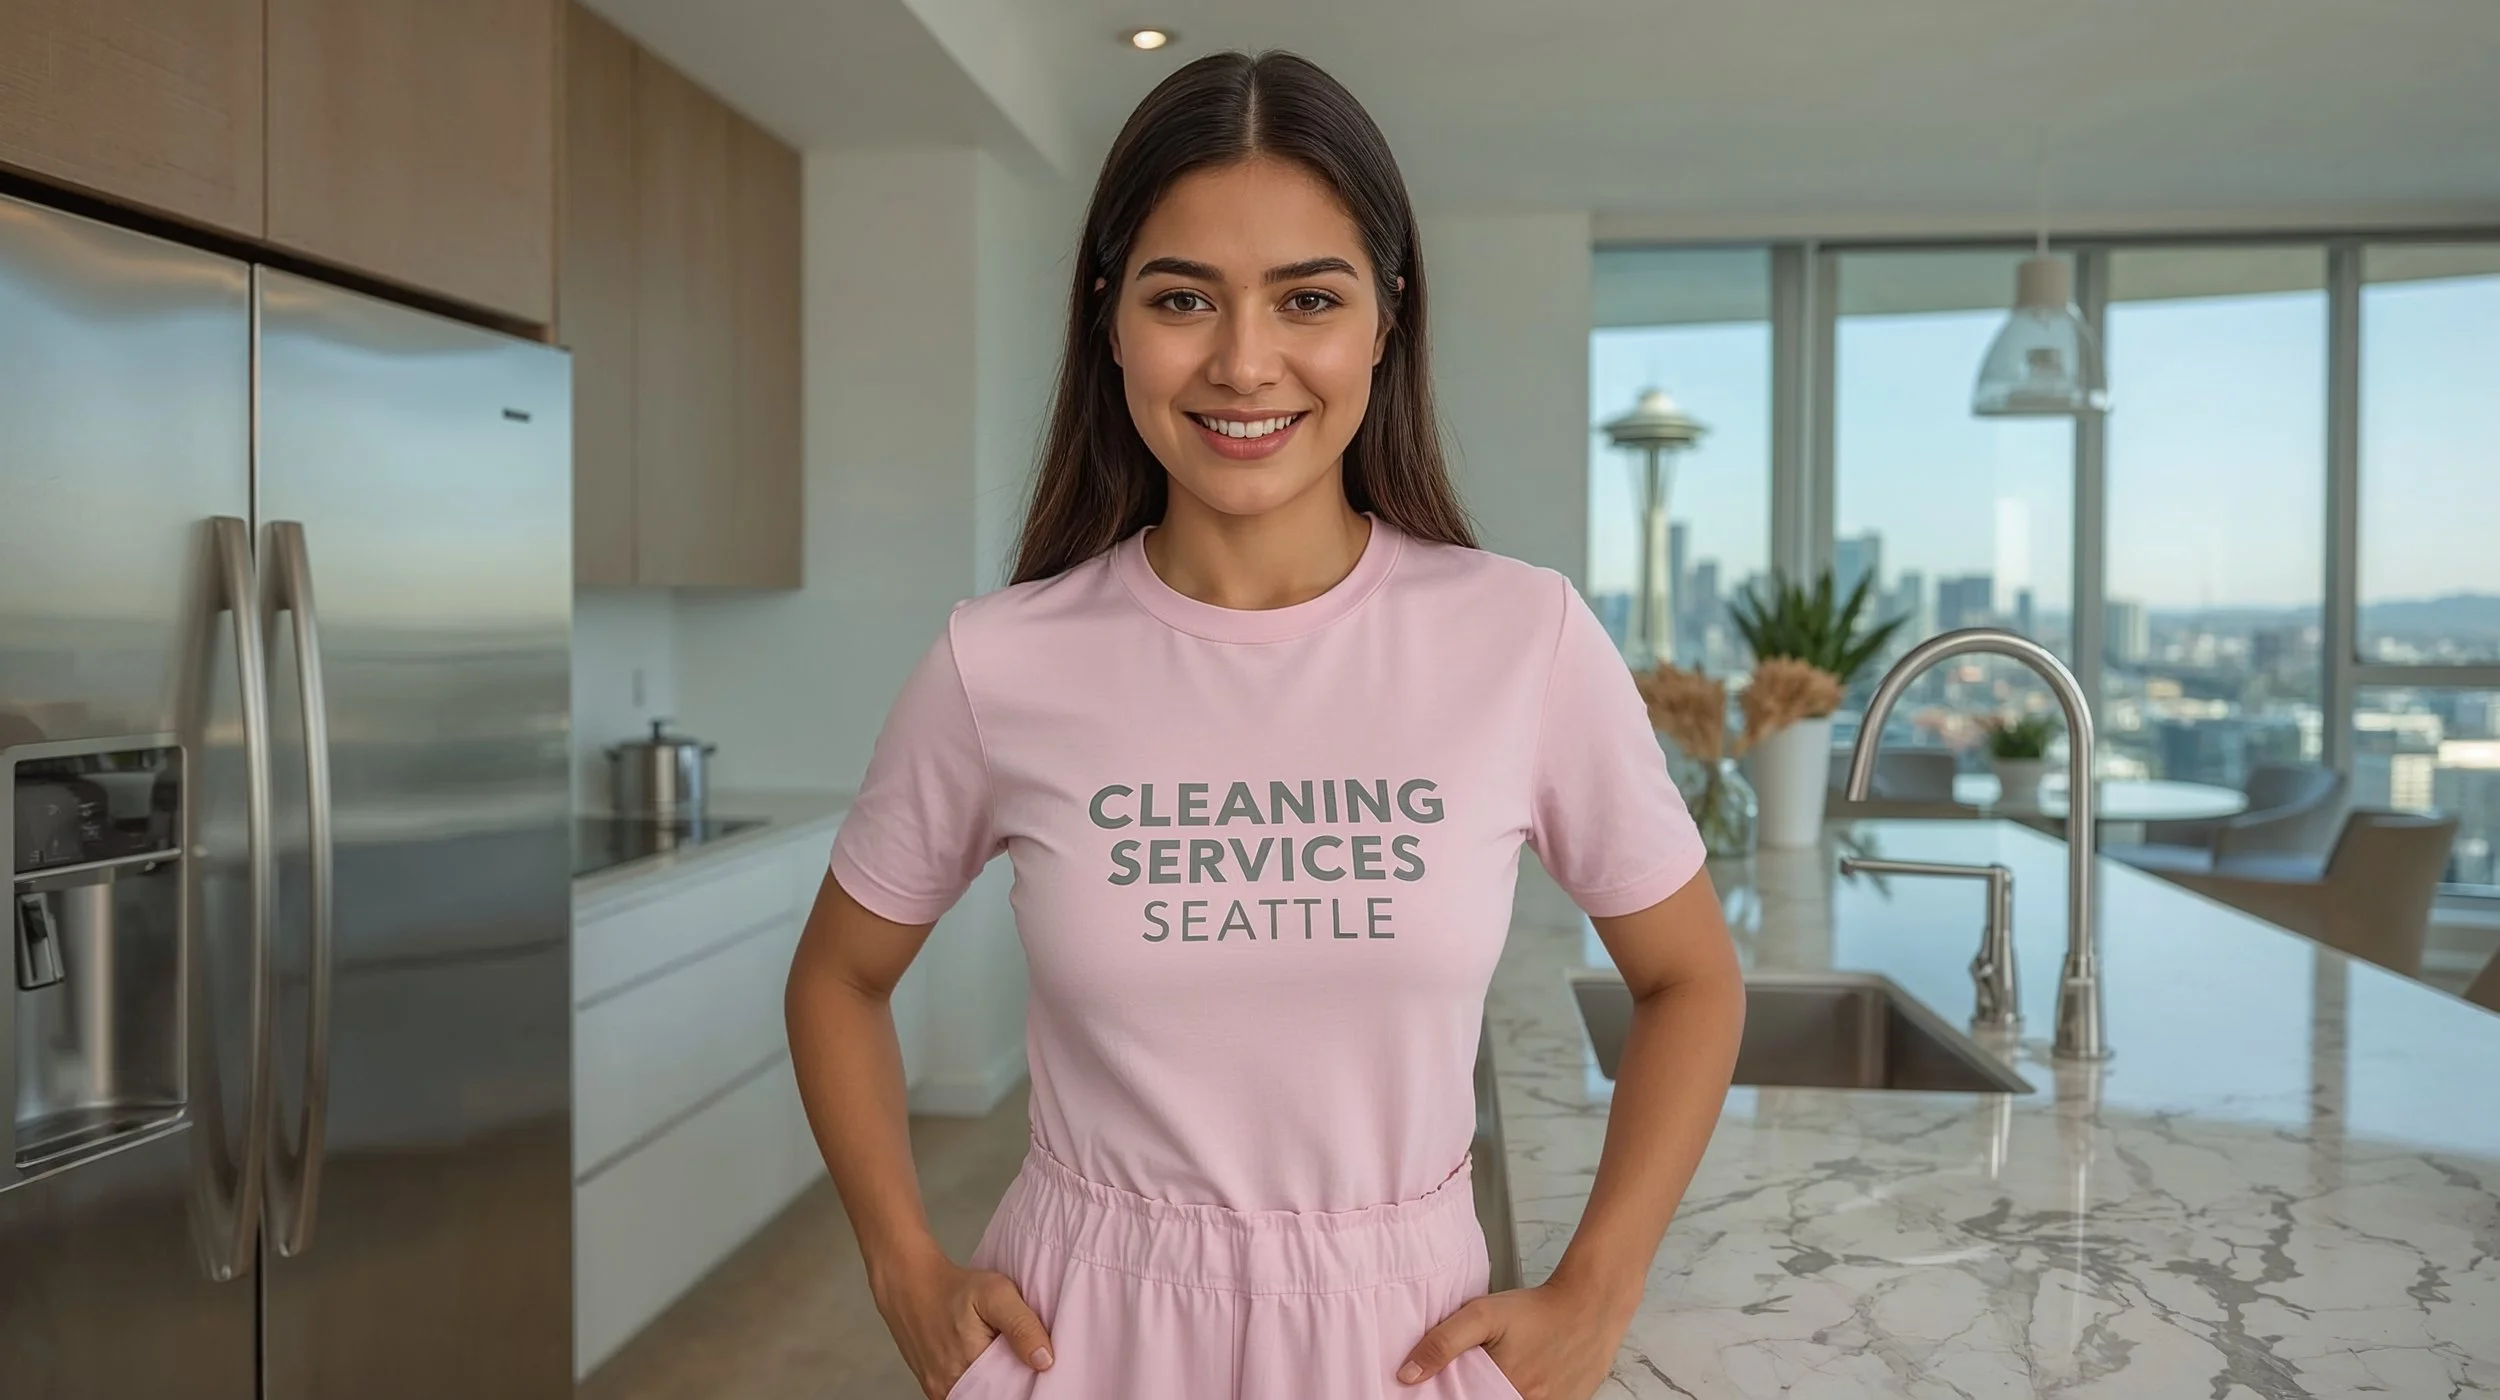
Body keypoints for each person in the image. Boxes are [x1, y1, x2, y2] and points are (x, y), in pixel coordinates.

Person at [784, 48, 1746, 1400]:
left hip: (1398, 1339)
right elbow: (836, 978)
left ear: (1383, 323)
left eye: (1308, 298)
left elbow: (1691, 979)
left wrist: (1601, 1283)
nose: (1245, 363)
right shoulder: (997, 664)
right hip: (1081, 1335)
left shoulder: (1520, 640)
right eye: (1184, 299)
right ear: (1110, 318)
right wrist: (901, 1265)